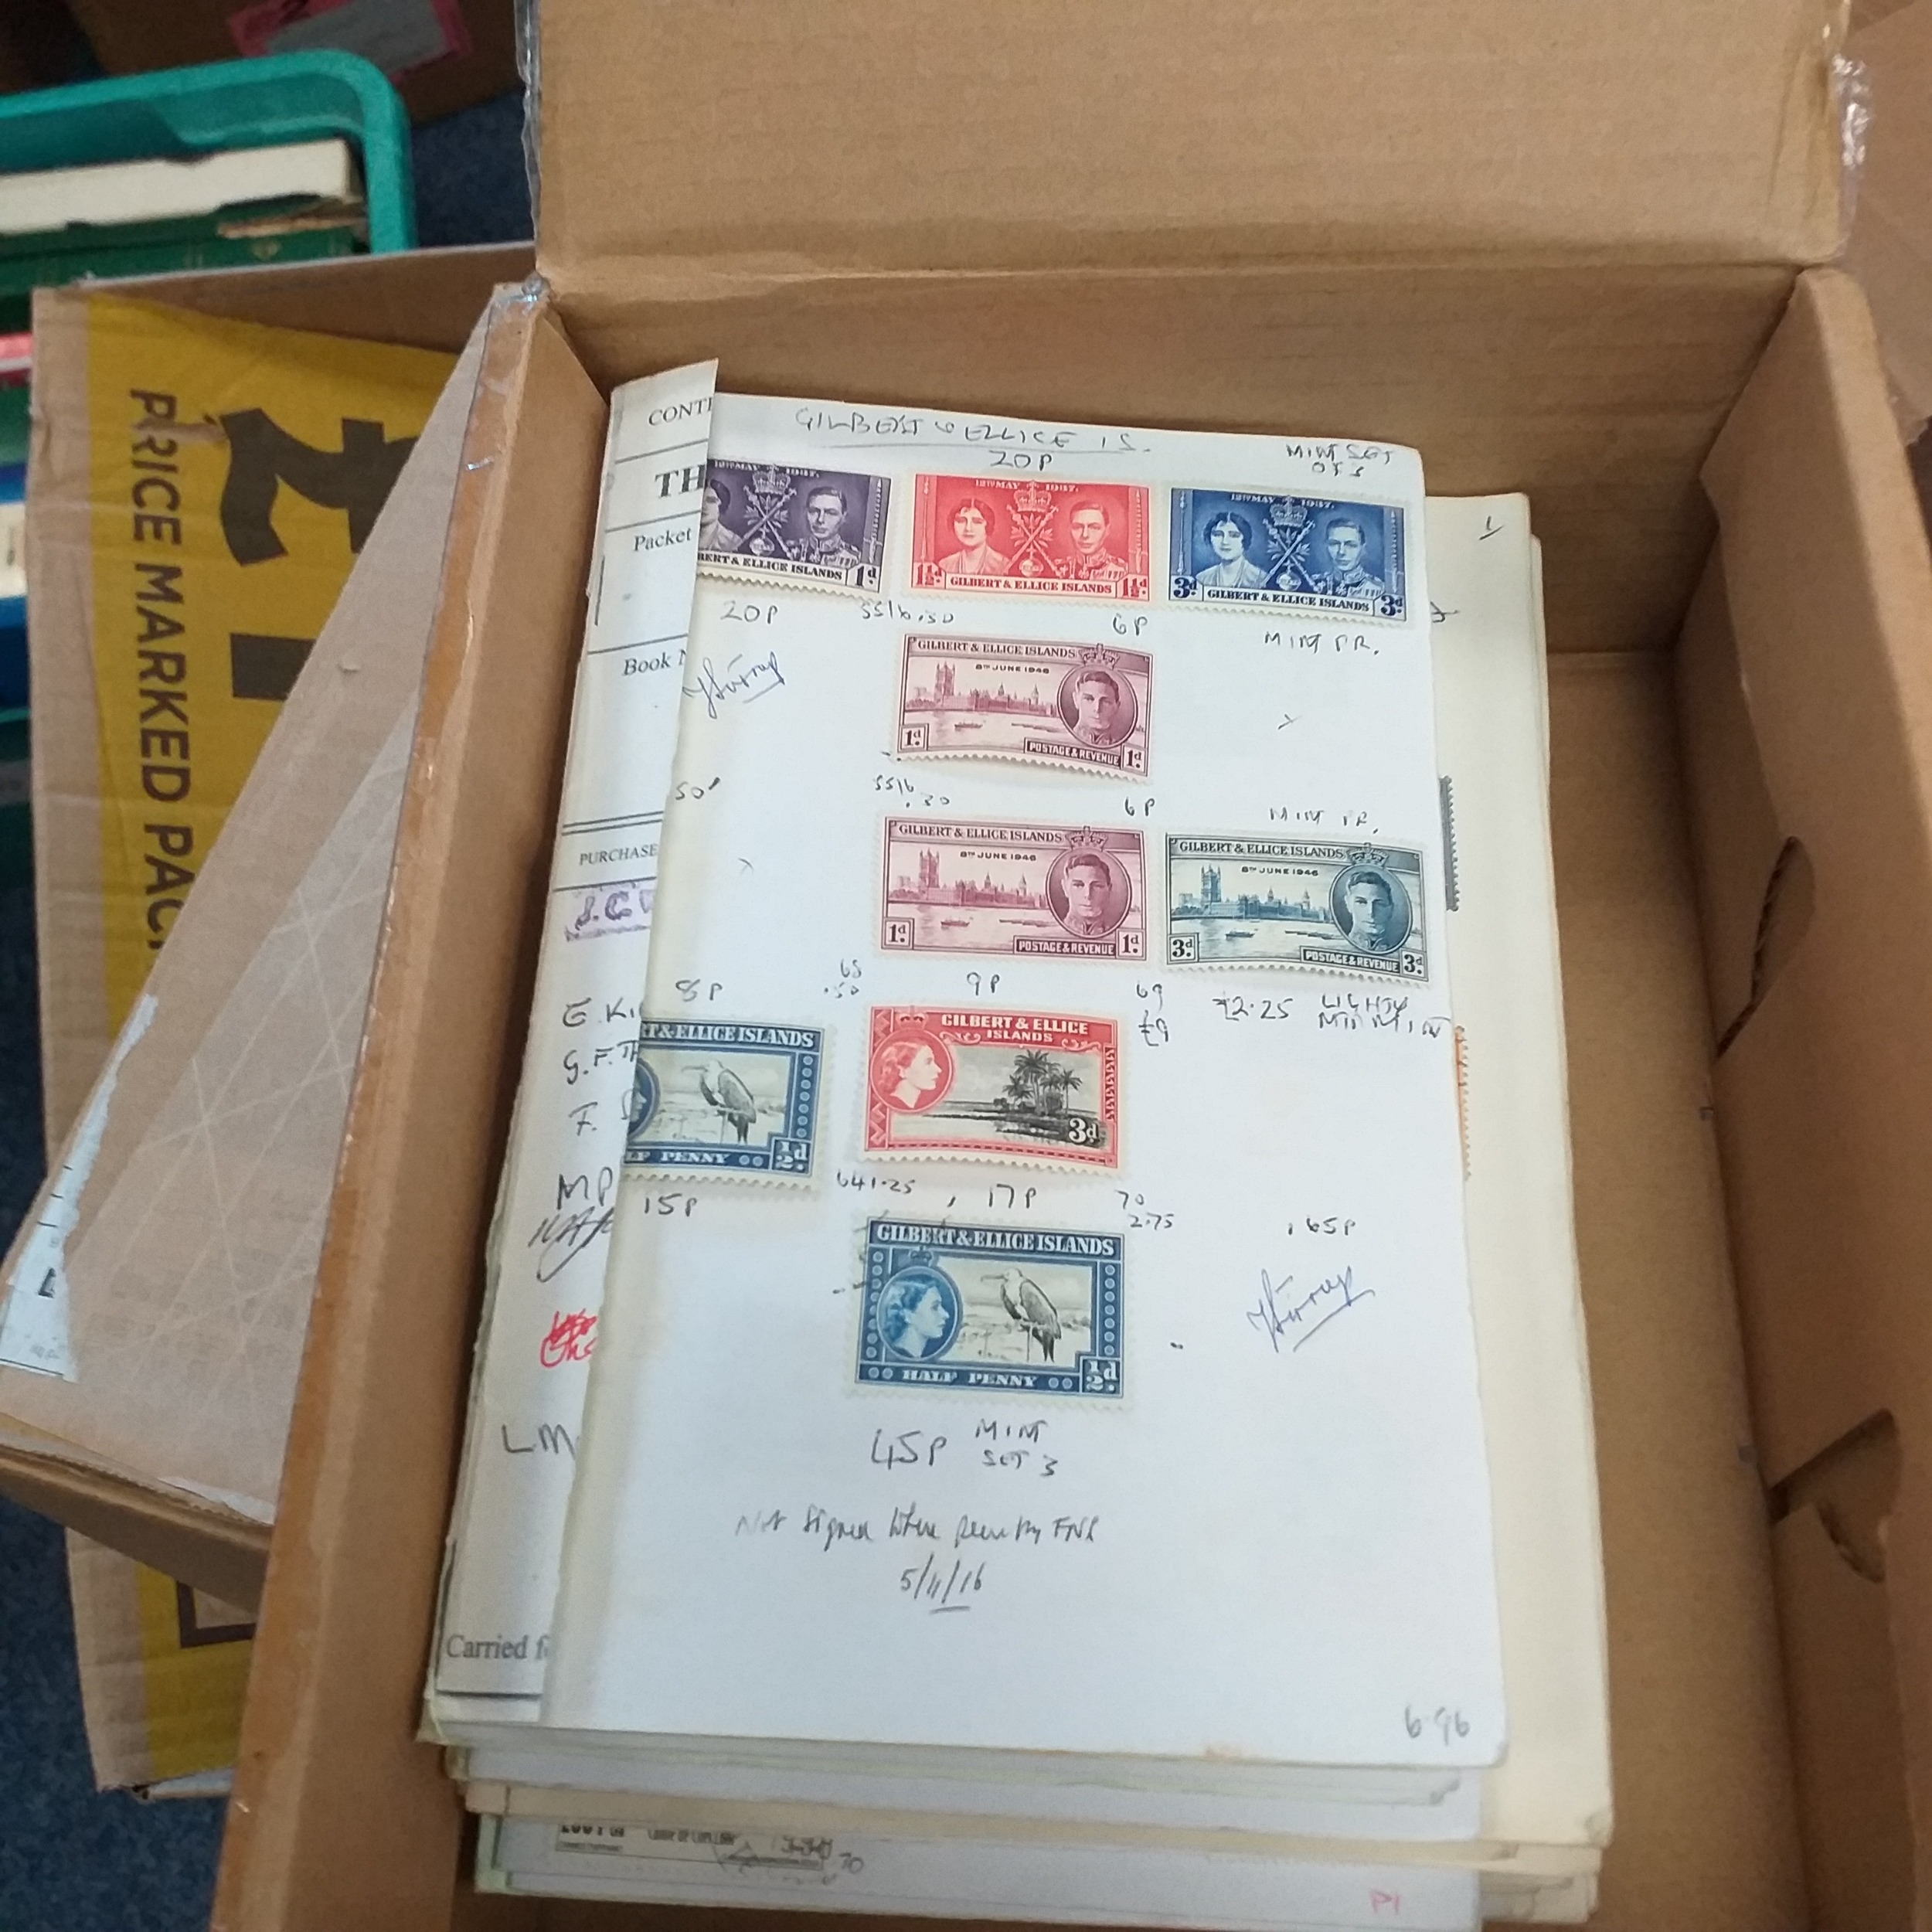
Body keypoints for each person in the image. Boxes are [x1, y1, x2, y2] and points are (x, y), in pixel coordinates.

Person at [879, 1270, 957, 1359]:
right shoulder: (902, 1353)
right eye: (935, 1307)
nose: (946, 1315)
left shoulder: (913, 1356)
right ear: (908, 1315)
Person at [1053, 850, 1124, 937]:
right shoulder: (1050, 932)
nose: (1088, 895)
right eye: (1078, 885)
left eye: (1097, 886)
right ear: (1065, 888)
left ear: (1109, 889)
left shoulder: (1116, 933)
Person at [1315, 515, 1386, 602]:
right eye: (1334, 544)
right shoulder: (1314, 583)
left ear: (1363, 548)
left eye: (1351, 545)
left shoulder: (1380, 590)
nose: (1341, 552)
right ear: (1326, 546)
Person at [1194, 509, 1267, 589]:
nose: (1225, 542)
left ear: (1245, 540)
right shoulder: (1202, 579)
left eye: (1234, 535)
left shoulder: (1261, 579)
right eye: (1218, 534)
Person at [938, 497, 1010, 576]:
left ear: (988, 526)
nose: (968, 528)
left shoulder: (1004, 565)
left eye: (977, 522)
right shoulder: (945, 566)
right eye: (961, 521)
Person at [1336, 868, 1403, 953]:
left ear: (1391, 909)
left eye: (1379, 904)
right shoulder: (1335, 946)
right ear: (1348, 904)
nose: (1371, 912)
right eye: (1361, 902)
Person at [1064, 499, 1129, 583]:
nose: (1085, 535)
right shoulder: (1057, 568)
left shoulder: (1124, 571)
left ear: (1107, 531)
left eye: (1094, 528)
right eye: (1077, 527)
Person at [874, 1036, 947, 1110]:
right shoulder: (895, 1106)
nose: (939, 1070)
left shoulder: (905, 1107)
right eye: (928, 1063)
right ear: (902, 1071)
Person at [801, 481, 862, 567]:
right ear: (805, 513)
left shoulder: (856, 559)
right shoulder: (789, 551)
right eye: (814, 511)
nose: (820, 520)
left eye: (831, 513)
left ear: (844, 517)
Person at [1066, 668, 1129, 747]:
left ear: (1117, 707)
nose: (1097, 709)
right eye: (1089, 699)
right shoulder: (1061, 737)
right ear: (1076, 700)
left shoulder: (1122, 744)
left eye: (1106, 702)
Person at [699, 475, 742, 552]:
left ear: (721, 505)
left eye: (711, 501)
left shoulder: (732, 542)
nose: (703, 506)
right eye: (700, 500)